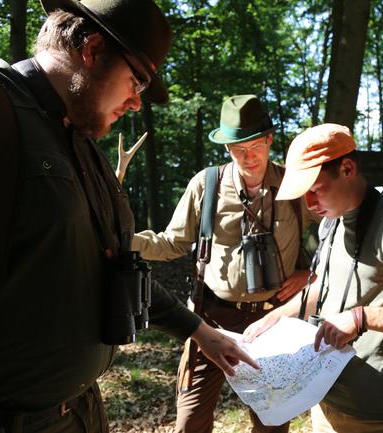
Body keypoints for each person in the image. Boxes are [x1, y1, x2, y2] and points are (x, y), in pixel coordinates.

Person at [0, 1, 257, 432]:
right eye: (136, 81)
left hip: (82, 412)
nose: (137, 103)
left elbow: (113, 266)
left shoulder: (80, 145)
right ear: (93, 49)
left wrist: (201, 332)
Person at [243, 123, 383, 433]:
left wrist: (362, 317)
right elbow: (327, 284)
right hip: (325, 392)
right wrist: (278, 317)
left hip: (372, 410)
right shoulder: (331, 222)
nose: (309, 205)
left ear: (347, 168)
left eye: (315, 190)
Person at [132, 94, 315, 433]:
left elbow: (336, 233)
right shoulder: (207, 184)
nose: (248, 157)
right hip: (211, 319)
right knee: (191, 421)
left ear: (270, 139)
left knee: (272, 422)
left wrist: (311, 274)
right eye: (237, 149)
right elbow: (172, 242)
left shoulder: (295, 185)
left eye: (256, 146)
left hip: (274, 320)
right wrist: (124, 239)